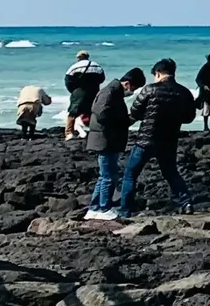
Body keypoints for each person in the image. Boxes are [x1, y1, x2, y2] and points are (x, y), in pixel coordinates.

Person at [116, 59, 196, 219]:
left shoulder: (150, 90)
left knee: (130, 174)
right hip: (169, 140)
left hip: (146, 139)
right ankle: (186, 203)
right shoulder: (184, 92)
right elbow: (189, 117)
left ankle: (125, 210)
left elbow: (136, 112)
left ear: (158, 73)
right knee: (171, 173)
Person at [83, 69, 140, 220]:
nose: (132, 92)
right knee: (109, 176)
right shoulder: (110, 92)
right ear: (127, 84)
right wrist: (123, 121)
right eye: (133, 88)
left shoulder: (112, 91)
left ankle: (95, 208)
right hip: (106, 140)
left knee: (105, 176)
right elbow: (102, 114)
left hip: (106, 139)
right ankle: (104, 208)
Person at [64, 51, 106, 142]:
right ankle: (93, 131)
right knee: (91, 112)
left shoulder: (74, 67)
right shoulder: (96, 66)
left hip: (79, 91)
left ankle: (69, 133)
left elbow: (68, 81)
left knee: (72, 112)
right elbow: (102, 78)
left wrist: (73, 91)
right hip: (94, 91)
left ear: (78, 58)